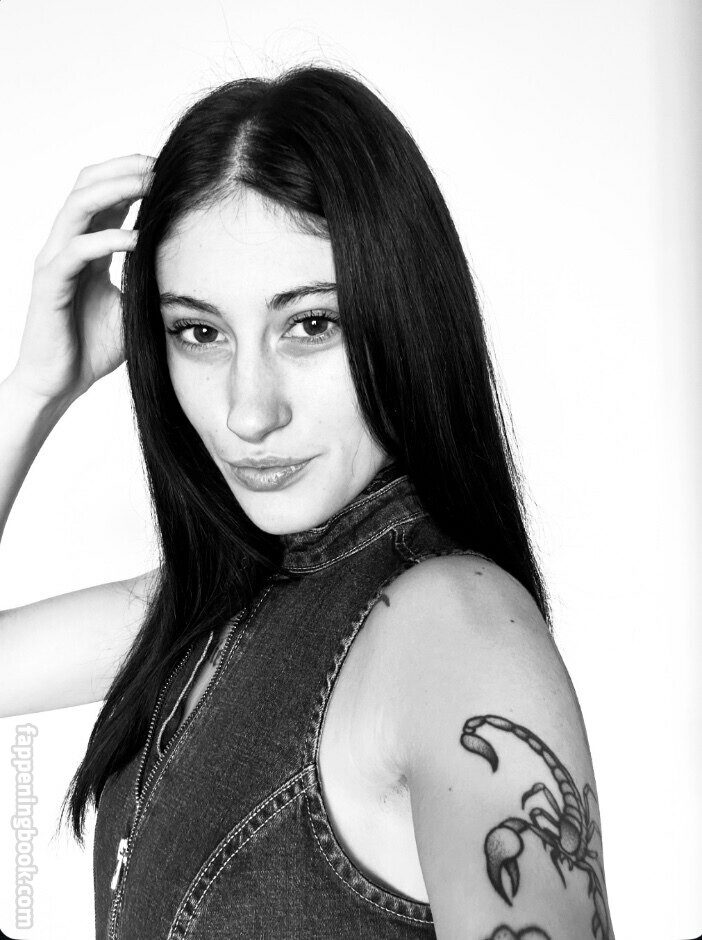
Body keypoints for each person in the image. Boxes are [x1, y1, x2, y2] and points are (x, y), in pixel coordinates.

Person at [0, 65, 614, 940]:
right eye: (200, 332)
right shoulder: (203, 617)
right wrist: (34, 388)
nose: (250, 411)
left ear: (401, 316)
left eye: (311, 324)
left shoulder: (455, 632)